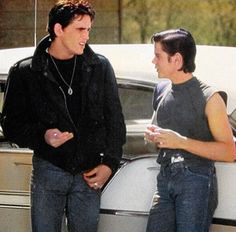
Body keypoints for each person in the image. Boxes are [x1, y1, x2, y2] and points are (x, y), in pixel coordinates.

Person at [1, 1, 126, 231]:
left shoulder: (99, 66)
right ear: (58, 29)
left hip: (89, 172)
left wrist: (109, 163)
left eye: (89, 29)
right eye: (80, 29)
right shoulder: (25, 71)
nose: (86, 36)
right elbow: (11, 125)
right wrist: (44, 136)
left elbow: (115, 121)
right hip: (49, 170)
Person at [144, 28, 235, 232]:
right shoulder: (161, 90)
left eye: (158, 56)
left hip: (196, 180)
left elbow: (229, 151)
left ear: (176, 60)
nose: (153, 61)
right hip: (165, 177)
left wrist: (181, 142)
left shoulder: (210, 98)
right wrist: (154, 136)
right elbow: (161, 138)